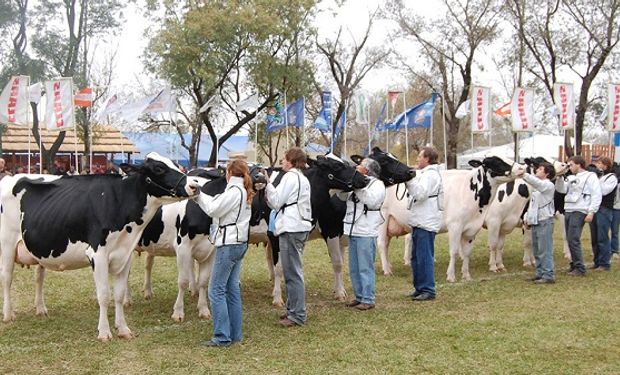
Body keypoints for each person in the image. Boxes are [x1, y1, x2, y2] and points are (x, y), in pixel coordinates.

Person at [195, 159, 253, 347]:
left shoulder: (234, 191)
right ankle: (235, 334)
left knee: (216, 290)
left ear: (229, 172)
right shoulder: (241, 191)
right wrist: (201, 195)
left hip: (228, 244)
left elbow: (213, 209)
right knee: (232, 289)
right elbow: (216, 203)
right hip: (239, 243)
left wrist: (198, 196)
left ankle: (221, 336)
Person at [265, 147, 312, 327]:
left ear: (292, 161)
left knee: (292, 272)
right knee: (293, 270)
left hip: (291, 226)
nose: (282, 162)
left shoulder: (290, 177)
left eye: (284, 159)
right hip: (300, 225)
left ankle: (297, 314)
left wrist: (269, 184)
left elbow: (277, 202)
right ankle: (293, 309)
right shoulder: (303, 178)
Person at [338, 158, 385, 311]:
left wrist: (358, 187)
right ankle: (359, 296)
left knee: (365, 267)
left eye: (361, 165)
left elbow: (371, 201)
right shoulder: (356, 183)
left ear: (367, 170)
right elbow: (342, 198)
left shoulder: (377, 184)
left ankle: (368, 298)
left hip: (366, 230)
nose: (357, 166)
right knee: (354, 267)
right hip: (353, 229)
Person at [406, 146, 443, 301]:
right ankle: (419, 287)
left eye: (420, 157)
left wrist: (409, 180)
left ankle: (428, 289)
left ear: (427, 158)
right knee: (416, 257)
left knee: (425, 256)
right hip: (420, 220)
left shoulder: (431, 175)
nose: (417, 160)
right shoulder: (426, 174)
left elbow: (420, 194)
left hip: (426, 221)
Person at [555, 156, 602, 276]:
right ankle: (574, 264)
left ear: (578, 164)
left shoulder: (590, 176)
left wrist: (591, 211)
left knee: (573, 238)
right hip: (569, 209)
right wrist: (559, 177)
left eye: (571, 165)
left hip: (580, 209)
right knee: (569, 238)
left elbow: (596, 194)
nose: (569, 167)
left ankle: (580, 268)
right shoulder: (570, 177)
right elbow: (561, 190)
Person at [519, 162, 556, 284]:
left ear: (547, 173)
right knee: (537, 249)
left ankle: (548, 274)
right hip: (536, 221)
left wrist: (525, 175)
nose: (537, 170)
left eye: (540, 169)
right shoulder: (537, 188)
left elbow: (538, 184)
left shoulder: (548, 185)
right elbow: (533, 205)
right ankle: (540, 273)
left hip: (545, 220)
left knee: (545, 249)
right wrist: (527, 217)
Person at [590, 157, 617, 271]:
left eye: (600, 163)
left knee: (602, 236)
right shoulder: (600, 177)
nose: (598, 165)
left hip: (605, 209)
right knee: (594, 237)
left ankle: (604, 263)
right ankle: (597, 261)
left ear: (606, 165)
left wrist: (595, 181)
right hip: (595, 208)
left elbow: (603, 191)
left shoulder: (612, 178)